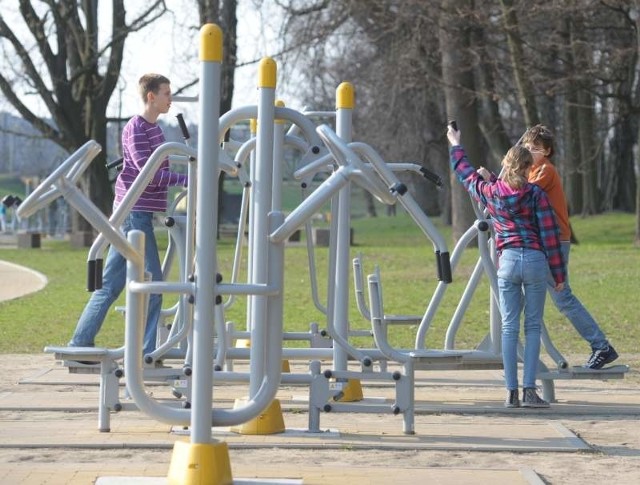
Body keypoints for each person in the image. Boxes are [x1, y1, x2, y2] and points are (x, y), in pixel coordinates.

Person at [68, 73, 187, 362]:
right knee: (153, 285)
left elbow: (156, 171)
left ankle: (79, 343)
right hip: (134, 214)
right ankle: (145, 353)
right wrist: (188, 179)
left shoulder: (156, 130)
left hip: (138, 213)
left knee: (110, 285)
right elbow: (150, 175)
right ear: (151, 97)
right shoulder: (137, 128)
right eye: (166, 93)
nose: (170, 98)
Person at [447, 124, 566, 408]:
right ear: (527, 168)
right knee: (533, 326)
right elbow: (550, 237)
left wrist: (454, 143)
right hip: (535, 261)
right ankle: (529, 390)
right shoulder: (536, 195)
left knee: (509, 328)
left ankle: (510, 392)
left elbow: (464, 173)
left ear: (506, 166)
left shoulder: (490, 192)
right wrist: (559, 275)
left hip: (508, 261)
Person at [520, 125, 618, 370]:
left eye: (536, 149)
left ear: (547, 152)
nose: (531, 152)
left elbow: (523, 195)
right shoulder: (530, 170)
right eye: (528, 147)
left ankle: (601, 346)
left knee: (563, 298)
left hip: (555, 241)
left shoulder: (545, 171)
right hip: (544, 239)